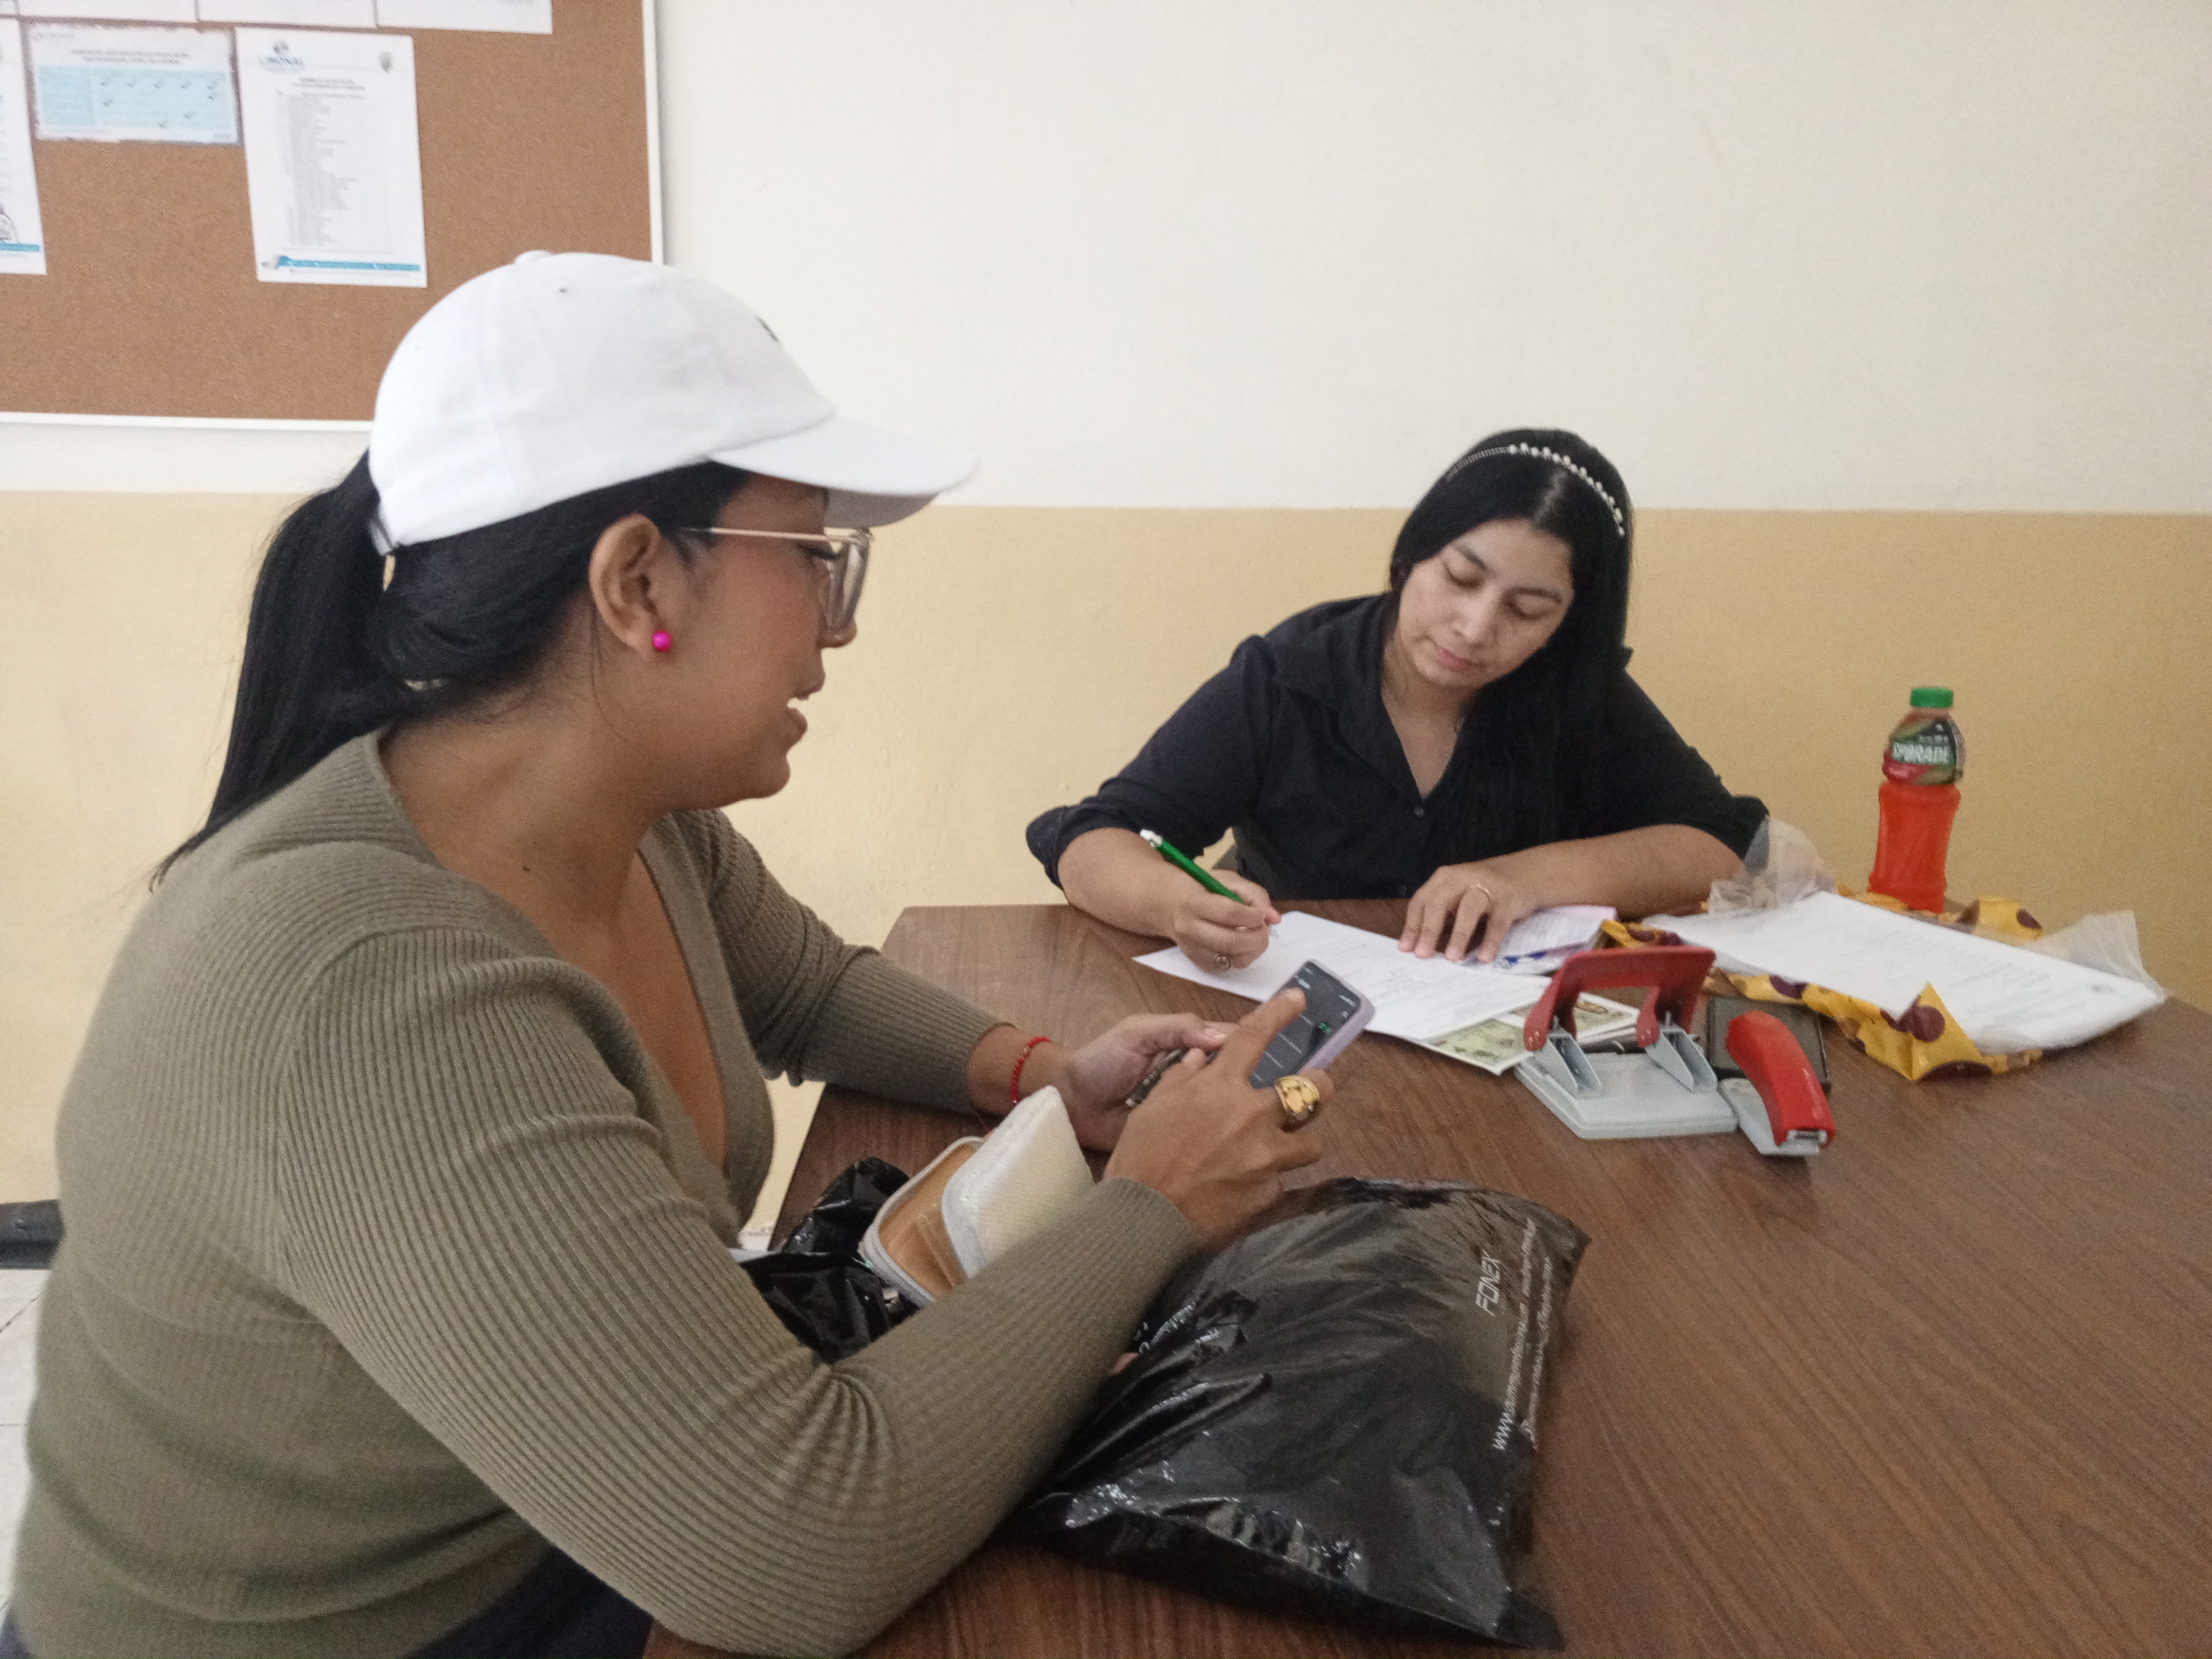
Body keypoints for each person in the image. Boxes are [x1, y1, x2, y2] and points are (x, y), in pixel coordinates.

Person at [7, 254, 1333, 1659]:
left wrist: (1046, 1075)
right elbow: (796, 1549)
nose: (841, 623)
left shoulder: (631, 824)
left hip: (544, 1514)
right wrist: (1152, 1206)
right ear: (637, 578)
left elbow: (813, 991)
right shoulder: (370, 991)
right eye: (814, 559)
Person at [1026, 429, 1766, 969]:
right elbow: (1092, 839)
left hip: (1506, 1040)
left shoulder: (1574, 692)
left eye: (1528, 610)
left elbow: (1721, 842)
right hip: (1289, 1015)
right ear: (1412, 554)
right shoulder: (1291, 679)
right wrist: (1176, 904)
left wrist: (1521, 878)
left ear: (1568, 624)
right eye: (1460, 578)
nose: (1475, 628)